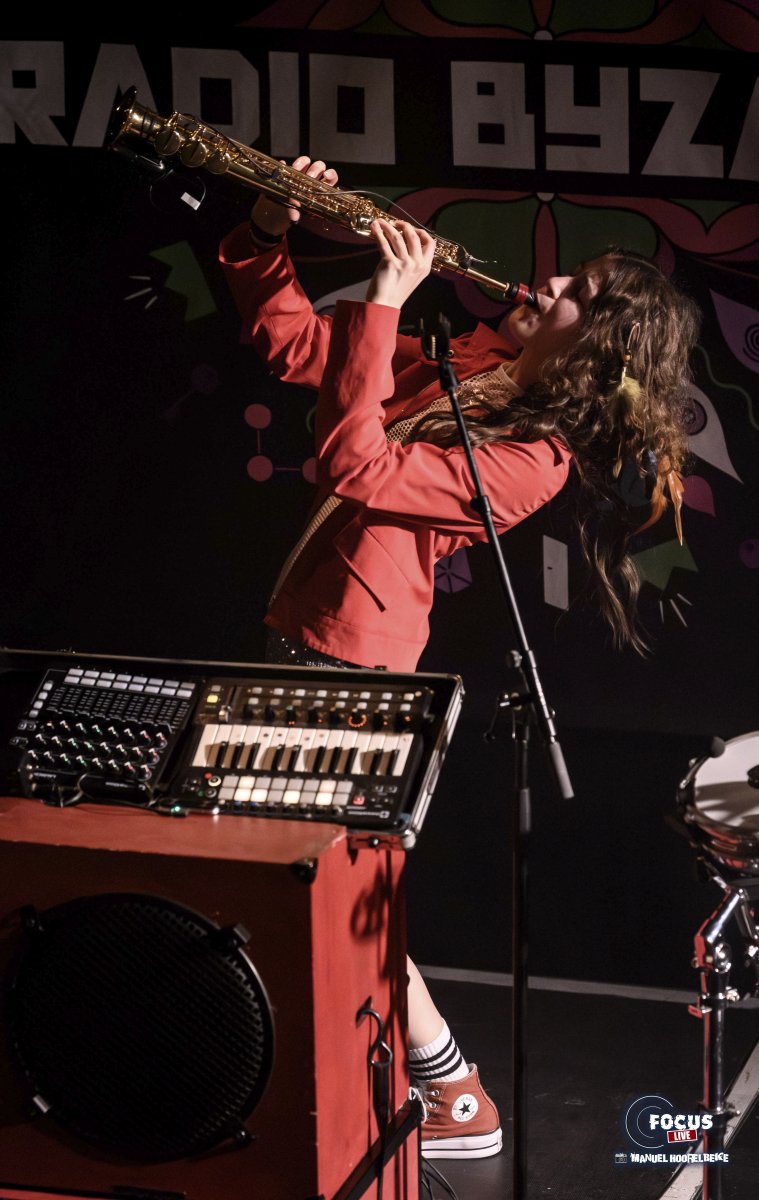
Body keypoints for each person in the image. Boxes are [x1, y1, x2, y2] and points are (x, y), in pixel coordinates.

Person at [219, 157, 700, 1159]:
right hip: (305, 628)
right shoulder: (472, 362)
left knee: (338, 895)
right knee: (305, 883)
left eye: (578, 292)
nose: (547, 281)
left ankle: (453, 1091)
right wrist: (269, 229)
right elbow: (295, 347)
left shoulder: (531, 460)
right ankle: (410, 1081)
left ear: (600, 345)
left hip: (355, 666)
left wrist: (385, 300)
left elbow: (355, 463)